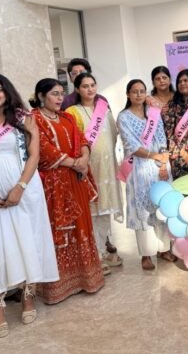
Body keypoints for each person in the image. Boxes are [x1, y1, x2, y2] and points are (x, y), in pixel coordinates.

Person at [0, 73, 58, 338]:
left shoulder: (23, 118)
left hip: (25, 193)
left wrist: (20, 187)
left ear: (7, 92)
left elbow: (34, 155)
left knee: (28, 242)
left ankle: (29, 295)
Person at [30, 78, 104, 304]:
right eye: (54, 93)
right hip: (54, 185)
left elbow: (83, 140)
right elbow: (44, 150)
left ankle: (86, 279)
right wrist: (74, 163)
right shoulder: (34, 119)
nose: (60, 98)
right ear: (41, 96)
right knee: (58, 230)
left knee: (81, 226)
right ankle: (58, 285)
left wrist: (84, 158)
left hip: (75, 180)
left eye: (62, 93)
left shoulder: (67, 117)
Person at [66, 73, 124, 270]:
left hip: (107, 168)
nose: (90, 89)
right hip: (89, 169)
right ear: (77, 89)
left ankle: (103, 250)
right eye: (85, 86)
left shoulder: (104, 109)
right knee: (92, 212)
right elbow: (74, 141)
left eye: (92, 85)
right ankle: (94, 255)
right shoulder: (72, 112)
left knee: (105, 211)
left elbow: (113, 137)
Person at [117, 79, 175, 271]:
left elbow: (162, 139)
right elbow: (131, 145)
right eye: (134, 91)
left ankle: (164, 249)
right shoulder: (123, 117)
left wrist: (163, 162)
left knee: (161, 206)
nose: (139, 94)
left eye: (142, 91)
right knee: (142, 211)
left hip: (159, 165)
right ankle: (146, 254)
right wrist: (152, 155)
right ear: (128, 94)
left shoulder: (153, 114)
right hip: (138, 167)